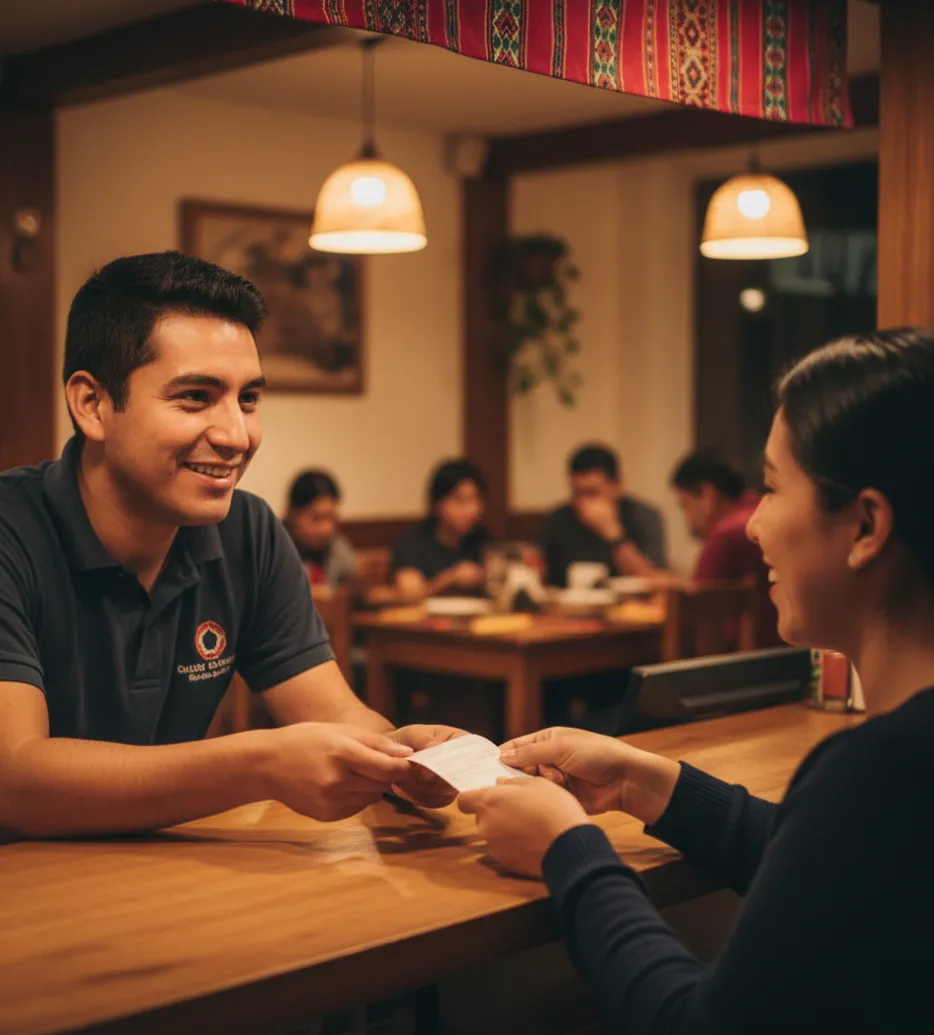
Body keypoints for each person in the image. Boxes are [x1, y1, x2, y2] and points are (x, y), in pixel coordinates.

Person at [460, 329, 934, 1032]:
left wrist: (569, 848)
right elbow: (824, 860)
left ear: (865, 525)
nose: (754, 526)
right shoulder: (885, 778)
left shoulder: (879, 771)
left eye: (771, 487)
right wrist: (642, 781)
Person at [0, 251, 459, 840]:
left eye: (247, 399)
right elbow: (13, 777)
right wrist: (260, 764)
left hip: (164, 871)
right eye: (195, 397)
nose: (237, 436)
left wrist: (400, 752)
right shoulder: (14, 530)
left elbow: (333, 712)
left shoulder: (248, 531)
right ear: (92, 405)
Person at [671, 448, 780, 646]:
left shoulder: (727, 533)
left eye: (684, 505)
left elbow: (692, 610)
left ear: (708, 495)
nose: (686, 518)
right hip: (782, 652)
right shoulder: (756, 510)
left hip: (734, 663)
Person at [540, 444, 666, 587]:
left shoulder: (644, 517)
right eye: (577, 493)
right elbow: (542, 576)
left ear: (617, 486)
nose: (583, 503)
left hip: (630, 606)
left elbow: (652, 579)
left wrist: (615, 535)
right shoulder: (558, 519)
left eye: (592, 493)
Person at [392, 459, 492, 602]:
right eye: (460, 501)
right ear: (438, 504)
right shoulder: (412, 542)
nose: (472, 510)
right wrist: (450, 579)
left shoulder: (482, 539)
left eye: (477, 499)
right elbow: (409, 594)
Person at [283, 469, 357, 589]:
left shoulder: (337, 547)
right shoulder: (274, 549)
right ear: (292, 514)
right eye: (316, 518)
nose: (326, 529)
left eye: (332, 518)